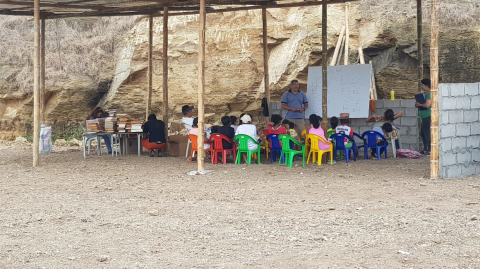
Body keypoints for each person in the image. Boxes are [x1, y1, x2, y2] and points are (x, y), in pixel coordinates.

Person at [415, 78, 432, 156]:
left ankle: (429, 150)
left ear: (427, 86)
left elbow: (427, 105)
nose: (422, 86)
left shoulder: (429, 94)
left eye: (423, 85)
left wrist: (420, 105)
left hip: (427, 116)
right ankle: (425, 149)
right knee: (423, 133)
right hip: (424, 116)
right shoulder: (425, 94)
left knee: (427, 133)